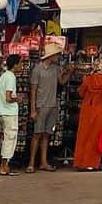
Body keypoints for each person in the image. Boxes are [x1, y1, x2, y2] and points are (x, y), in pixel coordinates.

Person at [27, 41, 71, 173]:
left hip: (52, 104)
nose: (58, 57)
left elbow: (61, 82)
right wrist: (33, 109)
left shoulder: (55, 68)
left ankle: (43, 162)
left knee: (46, 134)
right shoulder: (37, 69)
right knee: (37, 134)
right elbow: (33, 90)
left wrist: (68, 73)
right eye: (56, 55)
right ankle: (31, 163)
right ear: (50, 56)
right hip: (41, 105)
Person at [74, 60, 102, 171]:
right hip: (99, 111)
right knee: (95, 137)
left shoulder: (87, 79)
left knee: (83, 136)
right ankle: (91, 163)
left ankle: (80, 162)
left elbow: (81, 93)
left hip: (86, 109)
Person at [0, 54, 23, 177]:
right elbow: (8, 97)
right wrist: (18, 99)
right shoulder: (11, 77)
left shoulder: (4, 76)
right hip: (9, 112)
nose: (22, 66)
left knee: (6, 138)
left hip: (2, 111)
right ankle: (4, 165)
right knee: (10, 139)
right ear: (15, 64)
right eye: (20, 63)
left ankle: (3, 163)